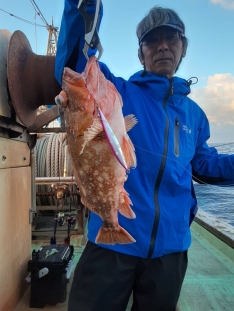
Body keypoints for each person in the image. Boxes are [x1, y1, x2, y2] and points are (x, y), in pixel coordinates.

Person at [55, 1, 234, 311]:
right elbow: (75, 65)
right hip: (111, 247)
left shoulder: (195, 116)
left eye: (171, 37)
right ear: (141, 53)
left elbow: (203, 167)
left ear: (183, 47)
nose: (162, 46)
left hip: (170, 250)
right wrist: (79, 8)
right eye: (152, 40)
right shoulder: (117, 91)